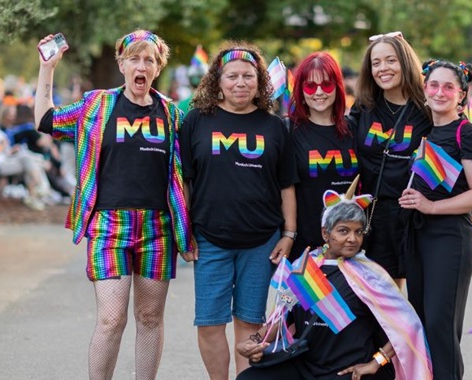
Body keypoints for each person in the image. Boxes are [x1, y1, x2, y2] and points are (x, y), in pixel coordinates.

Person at [33, 30, 194, 380]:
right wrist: (48, 68)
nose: (141, 65)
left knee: (150, 318)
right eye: (134, 58)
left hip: (158, 229)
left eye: (148, 59)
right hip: (108, 227)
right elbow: (45, 120)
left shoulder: (172, 114)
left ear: (157, 67)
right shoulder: (97, 105)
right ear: (121, 64)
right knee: (111, 319)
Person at [179, 40, 297, 379]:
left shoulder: (274, 126)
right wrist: (184, 233)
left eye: (248, 76)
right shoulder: (196, 121)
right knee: (210, 322)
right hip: (210, 238)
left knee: (251, 321)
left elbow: (286, 184)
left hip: (261, 241)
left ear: (260, 82)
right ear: (218, 80)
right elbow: (186, 182)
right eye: (232, 76)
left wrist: (288, 233)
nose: (240, 83)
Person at [235, 180, 433, 380]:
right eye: (344, 231)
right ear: (325, 233)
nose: (353, 239)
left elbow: (408, 326)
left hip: (348, 371)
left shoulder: (371, 275)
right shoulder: (304, 266)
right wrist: (256, 340)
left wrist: (376, 363)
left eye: (358, 232)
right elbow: (283, 314)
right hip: (306, 365)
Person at [399, 59, 472, 379]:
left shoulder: (467, 134)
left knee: (441, 326)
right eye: (434, 85)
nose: (440, 92)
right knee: (423, 322)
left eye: (449, 86)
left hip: (450, 238)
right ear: (424, 89)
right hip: (420, 237)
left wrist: (431, 206)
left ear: (461, 95)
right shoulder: (426, 132)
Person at [347, 31, 432, 283]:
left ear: (405, 62)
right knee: (382, 296)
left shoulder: (427, 109)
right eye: (376, 63)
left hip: (416, 214)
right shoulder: (364, 106)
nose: (383, 68)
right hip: (374, 214)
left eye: (391, 60)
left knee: (415, 299)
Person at [288, 52, 358, 261]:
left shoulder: (355, 128)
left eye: (326, 84)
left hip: (350, 248)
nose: (319, 92)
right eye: (310, 86)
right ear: (300, 89)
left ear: (338, 86)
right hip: (305, 249)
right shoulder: (288, 131)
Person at [0, 108, 51, 210]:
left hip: (7, 160)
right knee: (30, 159)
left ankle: (35, 195)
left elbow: (7, 152)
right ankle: (41, 188)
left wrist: (14, 149)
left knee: (28, 158)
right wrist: (0, 146)